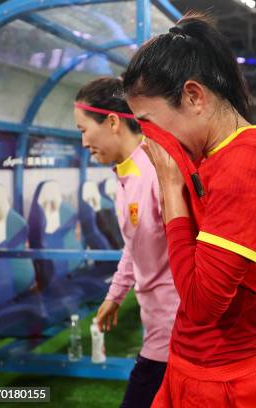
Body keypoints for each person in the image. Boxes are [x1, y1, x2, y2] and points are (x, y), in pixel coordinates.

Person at [122, 12, 256, 407]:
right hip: (188, 370)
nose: (147, 140)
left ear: (193, 96)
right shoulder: (212, 154)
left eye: (148, 123)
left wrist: (171, 187)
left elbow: (202, 304)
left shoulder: (251, 163)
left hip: (221, 386)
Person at [74, 77, 179, 408]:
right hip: (161, 330)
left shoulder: (155, 173)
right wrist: (115, 295)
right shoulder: (128, 174)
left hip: (176, 331)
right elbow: (134, 248)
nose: (82, 142)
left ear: (113, 121)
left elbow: (191, 248)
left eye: (82, 129)